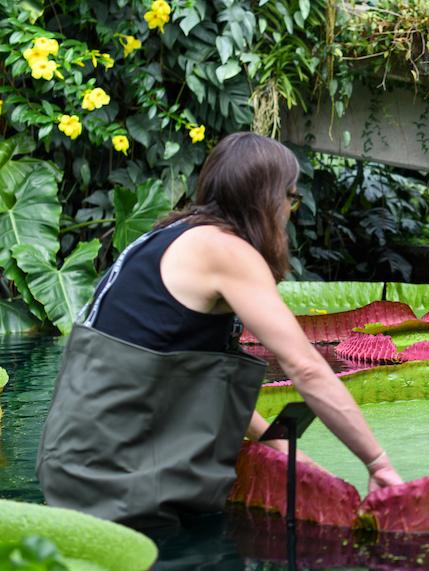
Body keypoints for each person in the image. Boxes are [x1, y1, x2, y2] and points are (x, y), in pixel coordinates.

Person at [37, 132, 403, 529]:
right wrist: (378, 462)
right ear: (267, 199)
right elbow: (306, 367)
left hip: (75, 462)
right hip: (113, 477)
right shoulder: (226, 251)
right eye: (291, 198)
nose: (289, 211)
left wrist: (284, 451)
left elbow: (189, 380)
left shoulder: (170, 235)